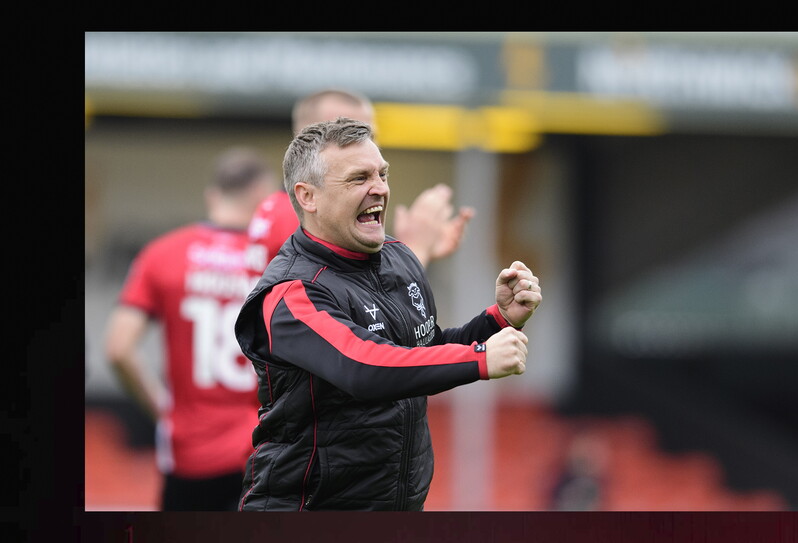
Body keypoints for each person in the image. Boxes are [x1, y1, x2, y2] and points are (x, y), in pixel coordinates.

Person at [234, 118, 542, 511]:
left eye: (382, 174)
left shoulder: (398, 257)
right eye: (358, 178)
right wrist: (481, 358)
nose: (379, 188)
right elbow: (365, 367)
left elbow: (421, 354)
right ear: (308, 197)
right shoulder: (292, 293)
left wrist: (496, 321)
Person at [104, 147, 277, 511]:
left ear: (213, 195)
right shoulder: (278, 259)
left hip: (188, 453)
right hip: (261, 448)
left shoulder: (164, 253)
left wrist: (163, 411)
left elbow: (118, 348)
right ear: (263, 199)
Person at [245, 88, 474, 275]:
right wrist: (416, 250)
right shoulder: (299, 218)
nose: (362, 142)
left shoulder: (280, 207)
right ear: (309, 138)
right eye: (343, 130)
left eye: (368, 134)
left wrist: (411, 250)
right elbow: (366, 318)